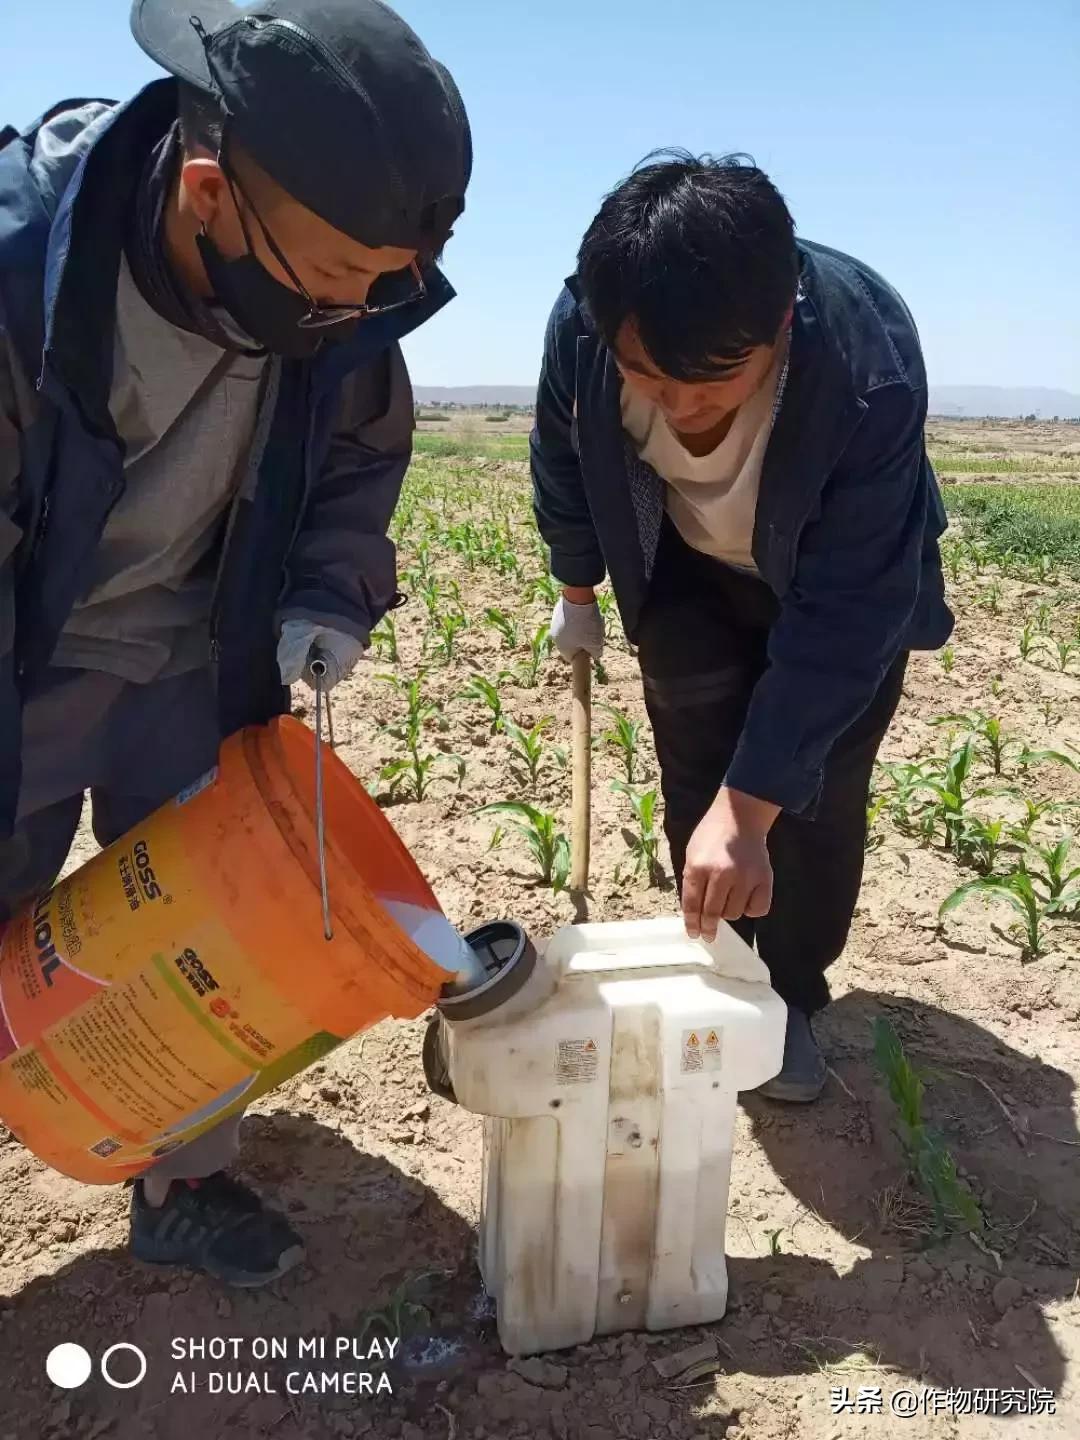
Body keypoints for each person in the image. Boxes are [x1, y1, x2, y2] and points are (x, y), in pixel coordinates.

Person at [0, 0, 470, 1286]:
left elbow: (362, 451)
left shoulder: (343, 301)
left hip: (197, 656)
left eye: (381, 290)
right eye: (332, 282)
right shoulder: (19, 276)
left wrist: (325, 592)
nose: (355, 314)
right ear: (207, 190)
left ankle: (188, 1185)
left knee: (227, 932)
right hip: (27, 662)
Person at [532, 152, 953, 1104]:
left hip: (826, 582)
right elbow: (561, 452)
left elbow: (852, 609)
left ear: (781, 325)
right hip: (679, 569)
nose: (678, 408)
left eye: (713, 383)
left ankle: (789, 996)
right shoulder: (585, 325)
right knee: (698, 774)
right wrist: (578, 589)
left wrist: (755, 803)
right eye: (649, 377)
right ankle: (718, 976)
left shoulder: (865, 362)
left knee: (813, 788)